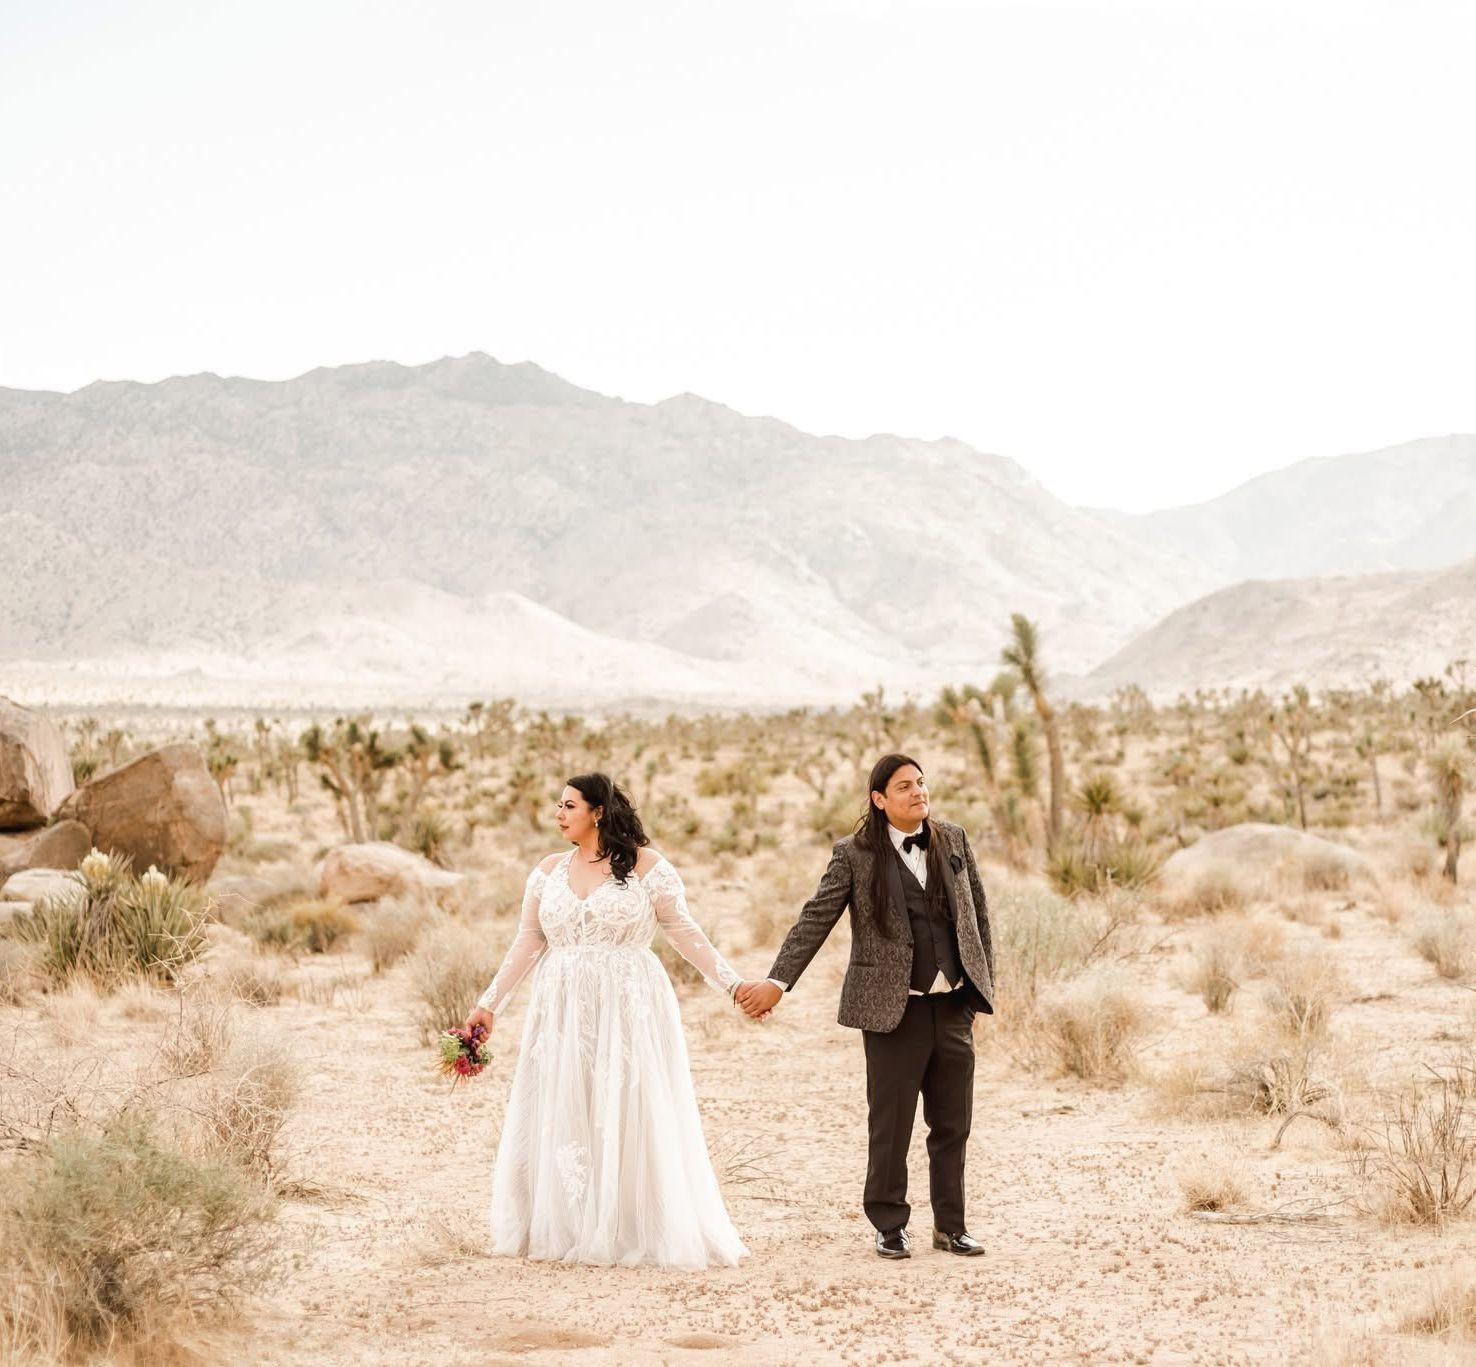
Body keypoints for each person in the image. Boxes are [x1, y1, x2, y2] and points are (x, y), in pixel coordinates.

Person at [463, 772, 748, 1268]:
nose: (559, 814)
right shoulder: (547, 871)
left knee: (628, 1102)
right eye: (558, 805)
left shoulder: (645, 867)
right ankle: (569, 1223)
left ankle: (630, 1223)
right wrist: (490, 1004)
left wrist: (734, 985)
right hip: (562, 1006)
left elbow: (682, 929)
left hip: (629, 1002)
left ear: (597, 812)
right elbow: (529, 939)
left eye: (569, 805)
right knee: (568, 1100)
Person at [736, 753, 995, 1260]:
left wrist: (979, 987)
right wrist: (777, 981)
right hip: (891, 1010)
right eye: (904, 787)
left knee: (953, 1124)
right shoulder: (853, 854)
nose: (918, 792)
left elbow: (977, 915)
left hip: (952, 1005)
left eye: (921, 783)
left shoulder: (954, 838)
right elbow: (817, 917)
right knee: (891, 1124)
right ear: (879, 800)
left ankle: (952, 1226)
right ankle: (889, 1224)